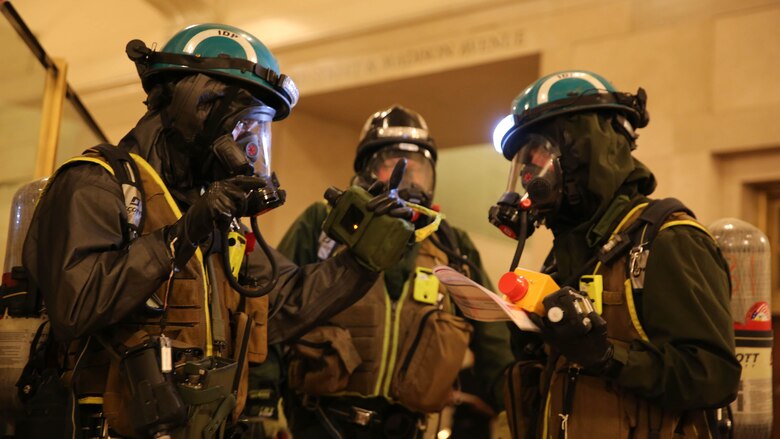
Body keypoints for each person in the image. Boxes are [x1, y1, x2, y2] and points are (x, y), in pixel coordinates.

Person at [20, 24, 414, 439]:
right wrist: (182, 234)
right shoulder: (97, 183)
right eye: (247, 126)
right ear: (200, 106)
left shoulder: (215, 210)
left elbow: (281, 304)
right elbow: (75, 306)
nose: (253, 146)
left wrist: (362, 260)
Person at [489, 70, 741, 438]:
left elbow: (713, 377)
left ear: (590, 145)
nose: (529, 173)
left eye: (540, 150)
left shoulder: (669, 239)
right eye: (524, 160)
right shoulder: (564, 257)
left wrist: (606, 355)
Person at [276, 105, 515, 439]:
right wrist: (261, 407)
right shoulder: (324, 225)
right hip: (320, 423)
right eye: (395, 165)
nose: (410, 179)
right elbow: (271, 311)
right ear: (366, 172)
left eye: (420, 168)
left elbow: (494, 342)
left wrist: (513, 412)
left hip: (408, 429)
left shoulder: (453, 246)